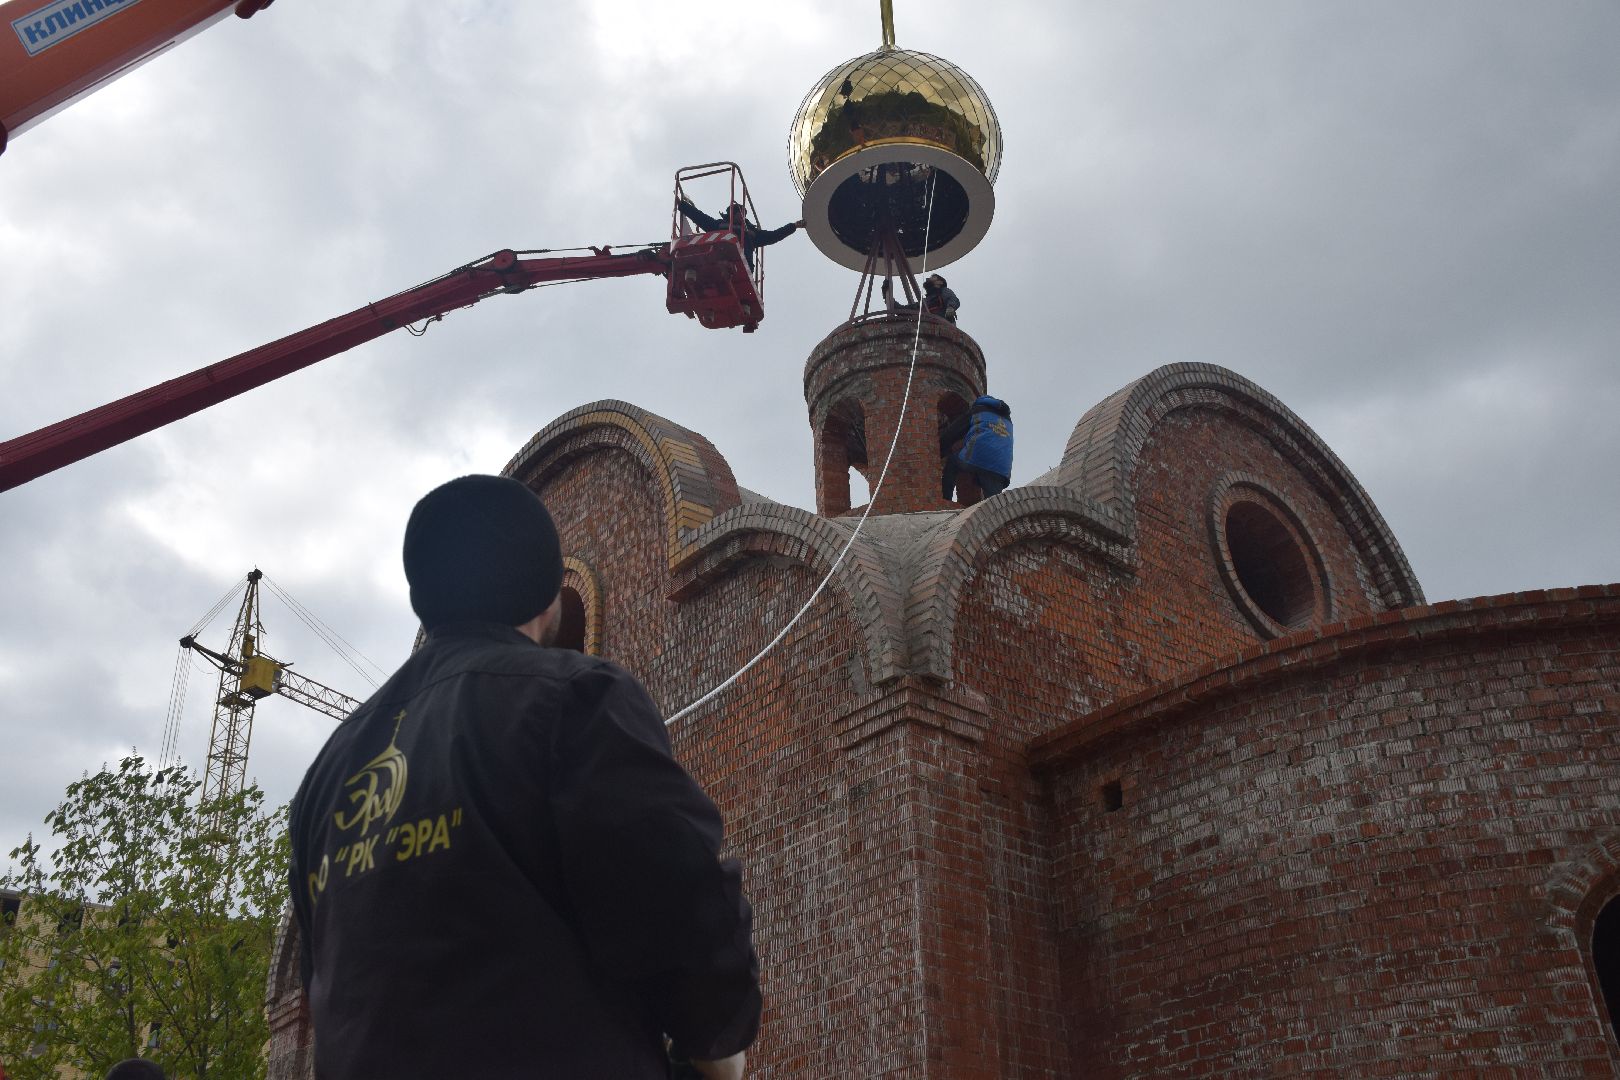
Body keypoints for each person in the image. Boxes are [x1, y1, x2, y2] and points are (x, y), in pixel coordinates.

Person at [289, 475, 759, 1080]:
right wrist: (717, 1046)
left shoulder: (327, 772)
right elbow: (678, 898)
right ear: (547, 592)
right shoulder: (573, 699)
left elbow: (324, 978)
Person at [676, 196, 803, 270]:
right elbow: (701, 218)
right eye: (738, 213)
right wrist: (682, 205)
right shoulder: (719, 225)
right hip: (720, 259)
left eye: (743, 214)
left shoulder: (752, 233)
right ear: (731, 214)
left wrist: (793, 226)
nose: (741, 216)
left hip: (743, 264)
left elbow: (774, 236)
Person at [940, 395, 1013, 501]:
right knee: (994, 505)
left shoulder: (977, 410)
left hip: (979, 458)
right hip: (1001, 470)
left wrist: (939, 449)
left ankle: (945, 500)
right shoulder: (1008, 420)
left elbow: (953, 431)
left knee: (952, 462)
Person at [883, 272, 960, 323]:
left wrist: (950, 308)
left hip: (942, 328)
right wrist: (886, 295)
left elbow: (952, 299)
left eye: (933, 277)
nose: (928, 279)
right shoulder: (925, 302)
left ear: (940, 282)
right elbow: (903, 311)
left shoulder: (944, 291)